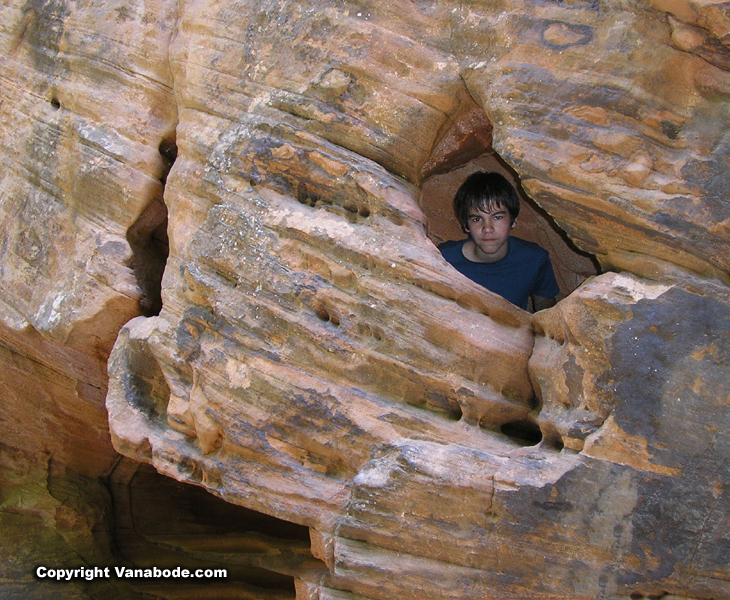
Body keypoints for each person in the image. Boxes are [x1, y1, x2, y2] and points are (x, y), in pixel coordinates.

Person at [438, 171, 559, 312]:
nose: (487, 228)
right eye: (477, 219)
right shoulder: (443, 259)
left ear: (513, 221)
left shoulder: (534, 260)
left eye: (497, 217)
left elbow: (547, 312)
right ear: (466, 225)